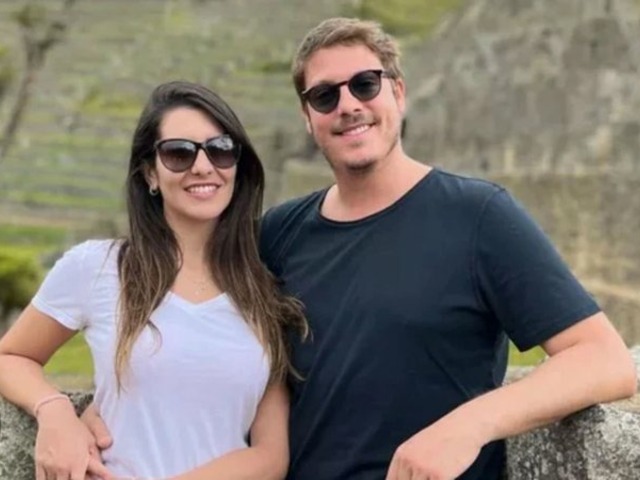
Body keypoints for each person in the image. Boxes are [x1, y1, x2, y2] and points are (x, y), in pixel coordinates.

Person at [82, 17, 637, 480]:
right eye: (325, 95)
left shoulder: (479, 217)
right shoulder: (278, 234)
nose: (347, 105)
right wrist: (78, 412)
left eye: (365, 85)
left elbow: (605, 360)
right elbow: (189, 342)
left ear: (398, 92)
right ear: (308, 118)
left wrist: (469, 425)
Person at [0, 80, 307, 480]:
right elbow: (11, 357)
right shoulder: (99, 267)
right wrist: (54, 410)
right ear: (150, 173)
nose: (203, 166)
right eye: (179, 153)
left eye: (220, 149)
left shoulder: (263, 293)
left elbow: (270, 457)